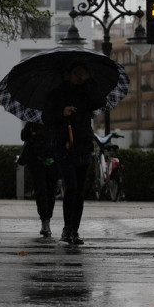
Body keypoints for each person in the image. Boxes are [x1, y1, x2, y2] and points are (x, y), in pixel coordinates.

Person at [42, 61, 105, 245]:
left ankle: (74, 230)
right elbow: (46, 117)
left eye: (83, 73)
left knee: (79, 190)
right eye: (77, 72)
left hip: (84, 144)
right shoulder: (57, 93)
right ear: (69, 73)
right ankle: (67, 228)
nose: (79, 76)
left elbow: (100, 102)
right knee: (72, 186)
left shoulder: (87, 91)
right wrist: (62, 112)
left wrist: (89, 81)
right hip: (64, 145)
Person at [20, 120, 58, 238]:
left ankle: (47, 218)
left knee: (51, 191)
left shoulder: (56, 119)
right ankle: (45, 221)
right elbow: (24, 136)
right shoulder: (34, 120)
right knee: (41, 190)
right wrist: (32, 131)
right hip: (36, 160)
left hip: (53, 160)